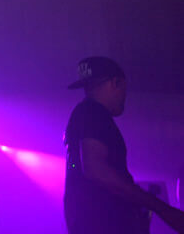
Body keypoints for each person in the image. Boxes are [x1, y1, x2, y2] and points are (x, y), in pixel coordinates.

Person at [64, 56, 184, 234]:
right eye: (124, 89)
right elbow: (96, 170)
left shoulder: (84, 113)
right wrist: (162, 208)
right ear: (116, 83)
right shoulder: (92, 112)